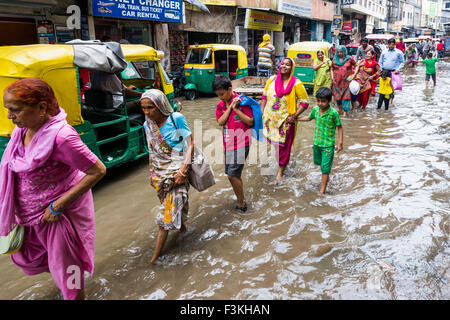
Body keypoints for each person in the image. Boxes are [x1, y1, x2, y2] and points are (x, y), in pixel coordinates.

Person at [0, 78, 106, 300]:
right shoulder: (21, 131)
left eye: (15, 110)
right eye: (8, 110)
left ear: (41, 107)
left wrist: (58, 206)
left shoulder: (62, 137)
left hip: (55, 217)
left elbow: (98, 170)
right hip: (29, 218)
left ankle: (77, 294)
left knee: (71, 274)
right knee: (39, 260)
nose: (10, 116)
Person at [141, 89, 194, 264]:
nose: (147, 112)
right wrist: (152, 174)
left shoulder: (176, 119)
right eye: (144, 108)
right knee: (170, 205)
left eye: (151, 107)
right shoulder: (147, 125)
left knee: (165, 217)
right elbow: (152, 152)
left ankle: (154, 259)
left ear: (161, 105)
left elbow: (190, 144)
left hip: (178, 172)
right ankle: (183, 228)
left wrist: (183, 170)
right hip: (159, 174)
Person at [260, 57, 309, 183]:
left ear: (291, 68)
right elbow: (264, 96)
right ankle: (283, 164)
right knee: (277, 146)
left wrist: (294, 116)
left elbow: (305, 102)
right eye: (283, 64)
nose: (284, 66)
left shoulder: (296, 83)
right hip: (270, 121)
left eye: (288, 65)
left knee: (284, 146)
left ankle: (280, 172)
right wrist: (261, 112)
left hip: (286, 122)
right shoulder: (271, 79)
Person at [214, 76, 254, 213]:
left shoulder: (242, 102)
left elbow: (250, 122)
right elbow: (221, 122)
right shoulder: (221, 105)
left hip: (242, 142)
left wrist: (236, 109)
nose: (220, 97)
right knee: (231, 175)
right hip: (229, 143)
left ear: (230, 89)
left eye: (222, 94)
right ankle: (240, 197)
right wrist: (230, 108)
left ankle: (241, 203)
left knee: (233, 175)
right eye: (217, 95)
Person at [297, 87, 343, 195]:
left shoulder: (333, 113)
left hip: (328, 145)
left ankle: (322, 191)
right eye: (318, 101)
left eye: (323, 101)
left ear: (329, 101)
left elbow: (339, 127)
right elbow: (309, 118)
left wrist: (340, 143)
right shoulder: (315, 110)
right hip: (317, 144)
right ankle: (326, 179)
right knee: (319, 163)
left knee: (325, 168)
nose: (320, 103)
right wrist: (296, 118)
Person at [331, 45, 357, 117]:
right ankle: (340, 110)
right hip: (337, 82)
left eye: (341, 52)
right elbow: (332, 69)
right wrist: (332, 78)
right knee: (337, 97)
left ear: (344, 52)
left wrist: (353, 75)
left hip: (346, 81)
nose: (339, 54)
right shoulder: (334, 60)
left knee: (346, 97)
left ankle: (345, 113)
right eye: (338, 52)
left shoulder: (349, 59)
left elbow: (356, 65)